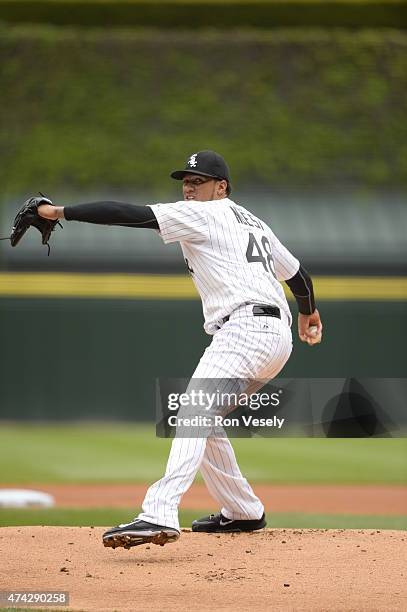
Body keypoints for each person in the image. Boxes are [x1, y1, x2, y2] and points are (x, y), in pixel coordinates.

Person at [38, 150, 323, 549]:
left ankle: (158, 512)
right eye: (186, 181)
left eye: (198, 181)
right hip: (274, 336)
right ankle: (243, 511)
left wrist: (59, 212)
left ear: (220, 187)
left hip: (246, 328)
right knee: (201, 415)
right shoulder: (253, 221)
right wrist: (308, 312)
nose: (189, 187)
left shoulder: (205, 214)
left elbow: (128, 213)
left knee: (192, 410)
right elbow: (298, 275)